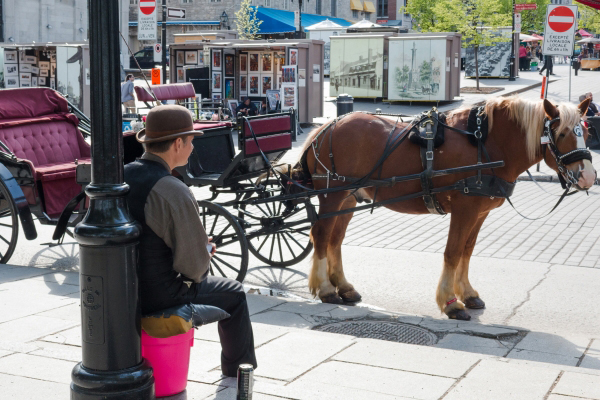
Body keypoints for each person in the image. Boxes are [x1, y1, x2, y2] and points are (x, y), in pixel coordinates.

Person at [124, 105, 257, 377]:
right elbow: (195, 269)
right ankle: (239, 374)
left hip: (123, 290)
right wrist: (204, 248)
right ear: (177, 143)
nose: (193, 147)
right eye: (192, 141)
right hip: (159, 296)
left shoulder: (123, 175)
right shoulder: (172, 188)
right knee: (234, 293)